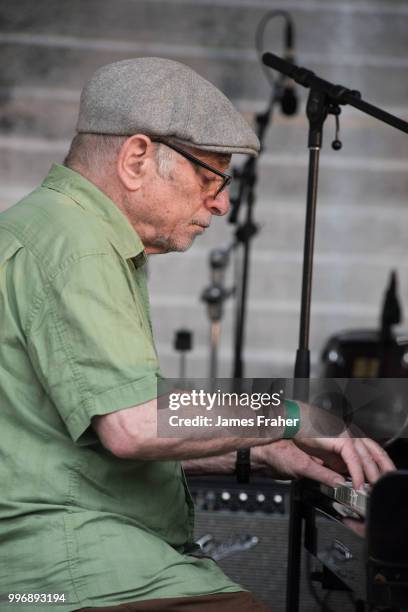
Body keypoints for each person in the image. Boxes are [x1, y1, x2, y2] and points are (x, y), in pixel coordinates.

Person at [0, 58, 394, 612]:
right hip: (67, 572)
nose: (222, 202)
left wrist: (266, 449)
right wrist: (295, 417)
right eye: (212, 175)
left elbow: (76, 449)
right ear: (136, 158)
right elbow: (135, 425)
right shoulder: (78, 243)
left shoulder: (46, 228)